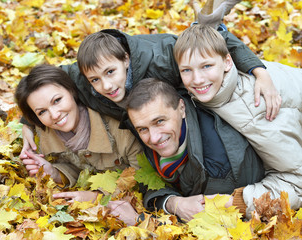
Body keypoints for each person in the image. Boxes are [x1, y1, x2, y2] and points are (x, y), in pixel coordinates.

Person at [20, 0, 281, 156]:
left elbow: (217, 42)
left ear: (125, 59)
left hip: (188, 102)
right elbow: (41, 84)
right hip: (153, 133)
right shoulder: (85, 72)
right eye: (95, 80)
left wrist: (259, 71)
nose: (106, 86)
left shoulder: (162, 54)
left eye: (111, 72)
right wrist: (28, 122)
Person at [173, 24, 302, 218]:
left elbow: (297, 182)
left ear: (227, 62)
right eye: (186, 70)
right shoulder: (213, 87)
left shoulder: (256, 109)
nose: (197, 79)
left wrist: (234, 203)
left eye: (206, 66)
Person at [14, 64, 143, 223]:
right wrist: (55, 173)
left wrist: (97, 197)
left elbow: (142, 179)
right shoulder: (45, 137)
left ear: (72, 91)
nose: (54, 115)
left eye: (57, 100)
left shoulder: (120, 130)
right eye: (42, 112)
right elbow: (77, 167)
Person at [125, 78, 265, 221]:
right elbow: (151, 186)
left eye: (159, 121)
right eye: (143, 129)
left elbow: (206, 226)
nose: (154, 138)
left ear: (181, 108)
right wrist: (173, 203)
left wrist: (137, 220)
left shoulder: (220, 162)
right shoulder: (157, 140)